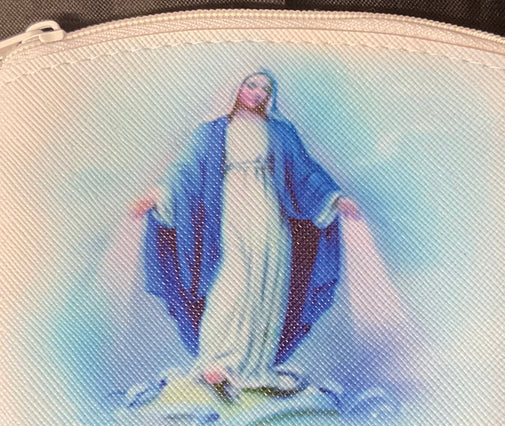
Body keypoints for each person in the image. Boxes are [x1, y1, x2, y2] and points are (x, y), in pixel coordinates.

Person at [131, 68, 360, 402]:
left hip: (270, 215)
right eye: (251, 85)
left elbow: (304, 171)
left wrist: (334, 198)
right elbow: (185, 172)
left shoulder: (280, 131)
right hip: (227, 213)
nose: (258, 93)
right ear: (235, 86)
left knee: (268, 284)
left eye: (266, 88)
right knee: (231, 282)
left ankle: (256, 370)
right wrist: (157, 195)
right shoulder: (211, 131)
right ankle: (215, 363)